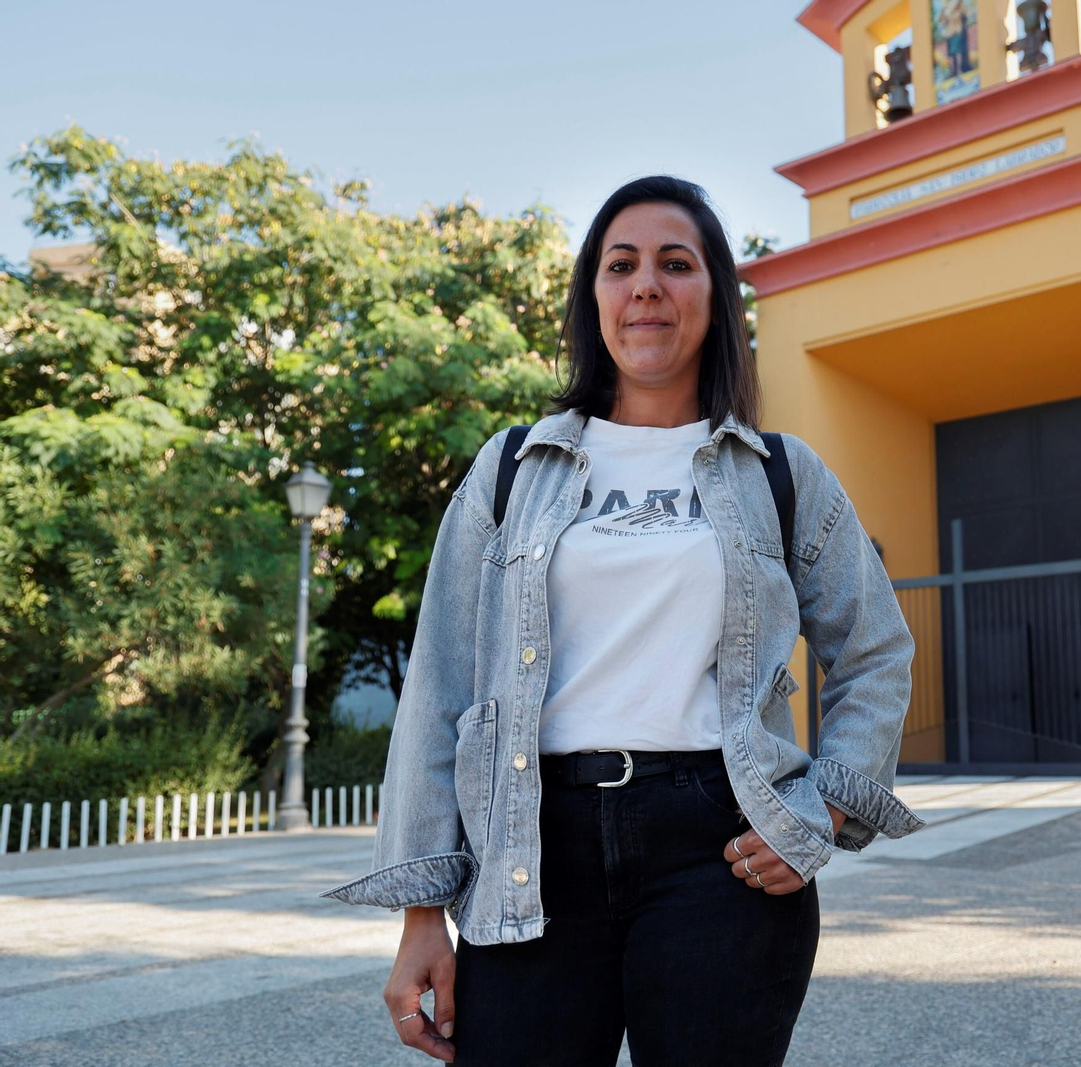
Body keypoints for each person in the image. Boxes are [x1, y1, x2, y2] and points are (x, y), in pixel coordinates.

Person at [323, 175, 926, 1065]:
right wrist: (421, 918)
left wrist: (819, 814)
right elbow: (440, 683)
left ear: (715, 300)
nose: (646, 284)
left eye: (675, 264)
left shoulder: (780, 475)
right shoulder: (510, 470)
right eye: (621, 264)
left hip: (720, 850)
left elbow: (874, 651)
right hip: (530, 852)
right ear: (593, 298)